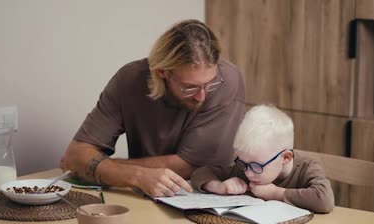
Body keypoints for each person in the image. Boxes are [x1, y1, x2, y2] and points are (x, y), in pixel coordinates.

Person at [60, 19, 245, 197]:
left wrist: (106, 167)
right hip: (140, 196)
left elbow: (194, 167)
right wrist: (137, 176)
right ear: (162, 72)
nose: (201, 96)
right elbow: (74, 158)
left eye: (209, 84)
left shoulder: (227, 81)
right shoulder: (129, 80)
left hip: (207, 198)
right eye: (189, 87)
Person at [190, 105, 335, 213]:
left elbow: (325, 200)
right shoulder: (246, 168)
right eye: (242, 162)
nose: (248, 173)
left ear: (285, 157)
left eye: (256, 166)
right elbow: (201, 172)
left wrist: (275, 193)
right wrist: (219, 187)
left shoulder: (307, 168)